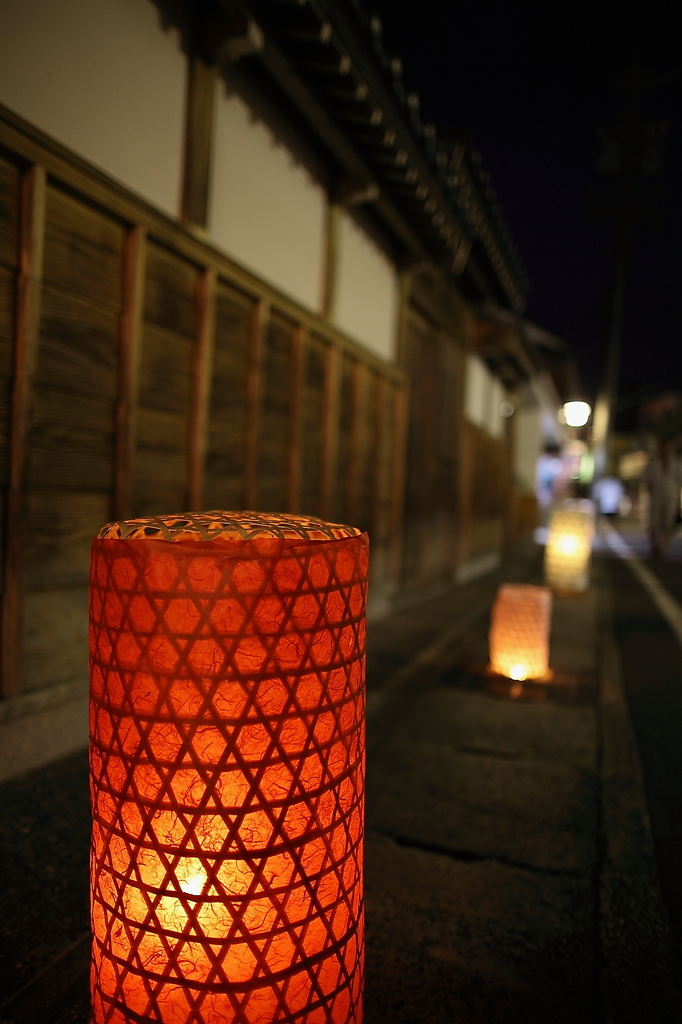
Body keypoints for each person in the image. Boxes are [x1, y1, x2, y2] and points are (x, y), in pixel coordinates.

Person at [645, 435, 682, 557]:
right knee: (654, 524)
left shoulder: (677, 463)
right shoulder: (654, 463)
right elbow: (646, 481)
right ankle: (654, 545)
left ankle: (662, 548)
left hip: (671, 498)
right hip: (656, 498)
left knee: (668, 524)